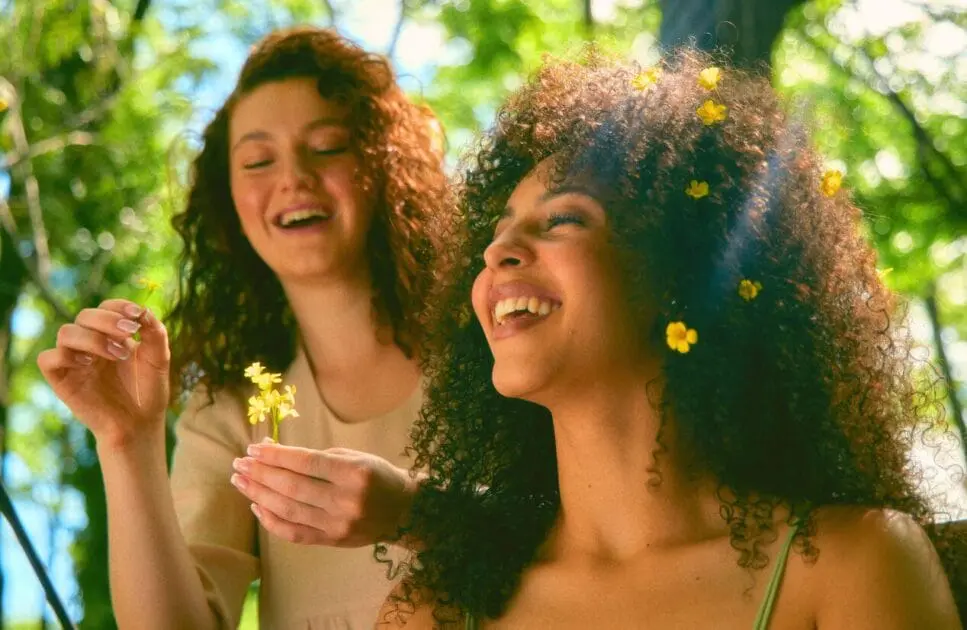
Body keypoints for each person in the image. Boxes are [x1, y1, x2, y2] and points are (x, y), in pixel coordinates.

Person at [376, 50, 964, 628]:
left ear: (678, 273)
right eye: (499, 230)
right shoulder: (433, 610)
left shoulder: (856, 565)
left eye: (563, 219)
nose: (496, 251)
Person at [38, 26, 448, 629]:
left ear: (385, 164)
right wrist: (126, 442)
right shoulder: (230, 409)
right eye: (258, 160)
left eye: (328, 146)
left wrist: (416, 515)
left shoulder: (489, 345)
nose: (293, 178)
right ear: (227, 202)